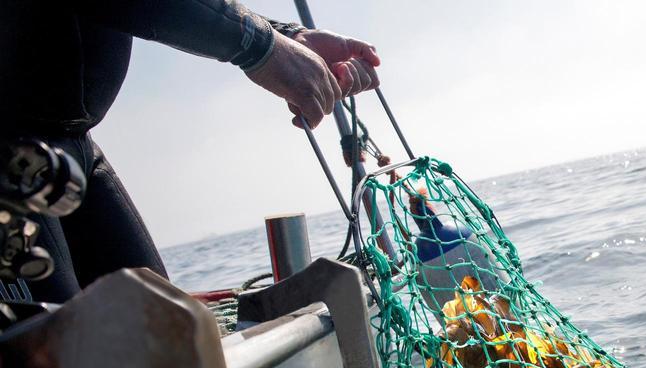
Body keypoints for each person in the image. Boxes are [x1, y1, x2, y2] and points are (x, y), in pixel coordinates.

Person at [0, 0, 383, 303]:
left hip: (69, 153)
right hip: (13, 166)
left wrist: (284, 37)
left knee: (166, 348)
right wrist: (259, 45)